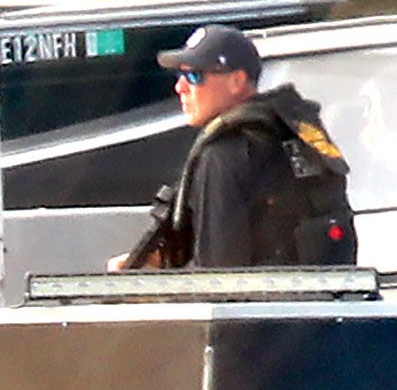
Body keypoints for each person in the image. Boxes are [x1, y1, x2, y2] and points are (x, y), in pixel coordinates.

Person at [119, 25, 358, 269]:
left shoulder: (223, 154)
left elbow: (218, 274)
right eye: (179, 77)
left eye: (194, 76)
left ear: (237, 81)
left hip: (261, 303)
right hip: (324, 299)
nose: (180, 88)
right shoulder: (297, 137)